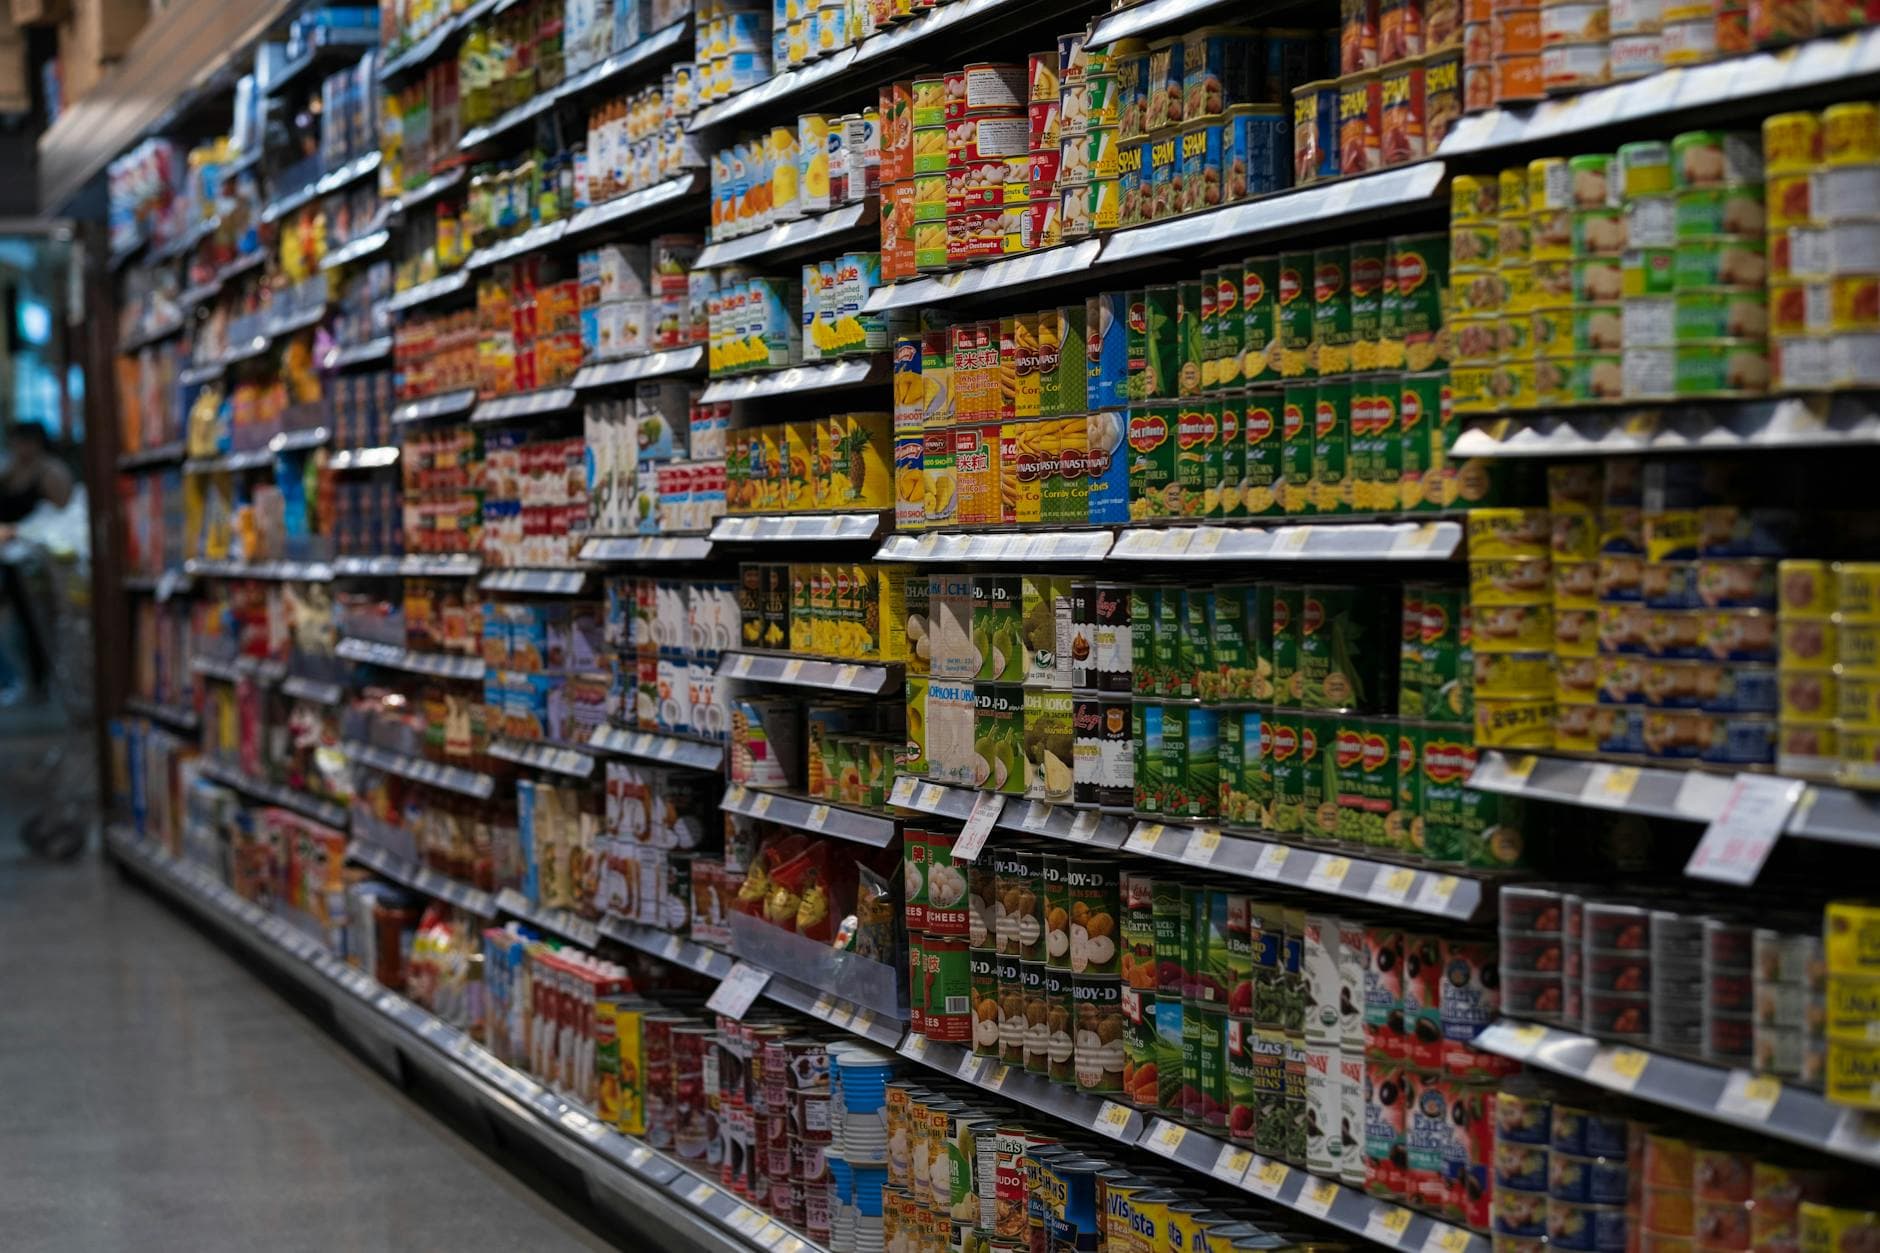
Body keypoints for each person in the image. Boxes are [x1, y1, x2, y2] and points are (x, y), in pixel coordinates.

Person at [0, 421, 73, 701]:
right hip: (11, 560)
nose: (20, 449)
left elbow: (62, 518)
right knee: (20, 622)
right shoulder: (10, 472)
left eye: (25, 442)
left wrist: (24, 533)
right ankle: (31, 679)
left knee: (41, 621)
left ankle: (46, 680)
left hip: (40, 560)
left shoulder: (50, 471)